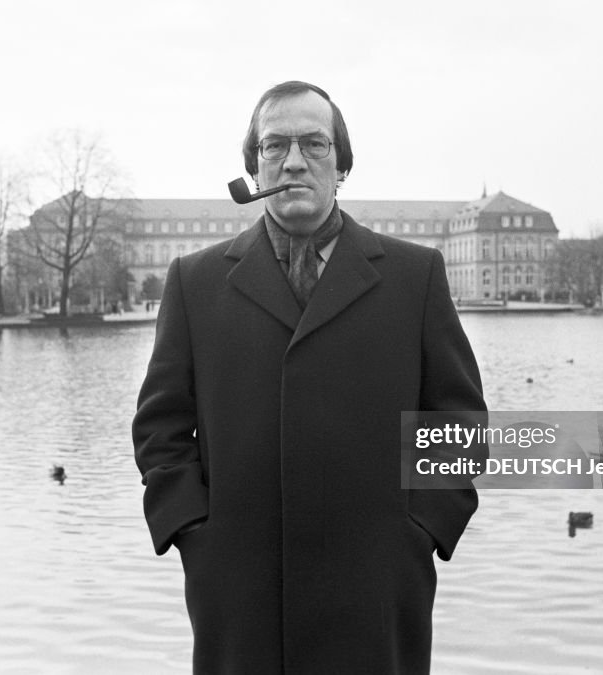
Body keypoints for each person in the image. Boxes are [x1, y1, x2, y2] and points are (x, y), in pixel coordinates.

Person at [133, 80, 488, 674]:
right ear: (253, 167)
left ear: (342, 166)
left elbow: (459, 421)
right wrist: (194, 534)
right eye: (274, 146)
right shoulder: (193, 281)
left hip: (376, 591)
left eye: (315, 145)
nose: (294, 160)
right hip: (239, 593)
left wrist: (421, 530)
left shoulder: (413, 274)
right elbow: (161, 426)